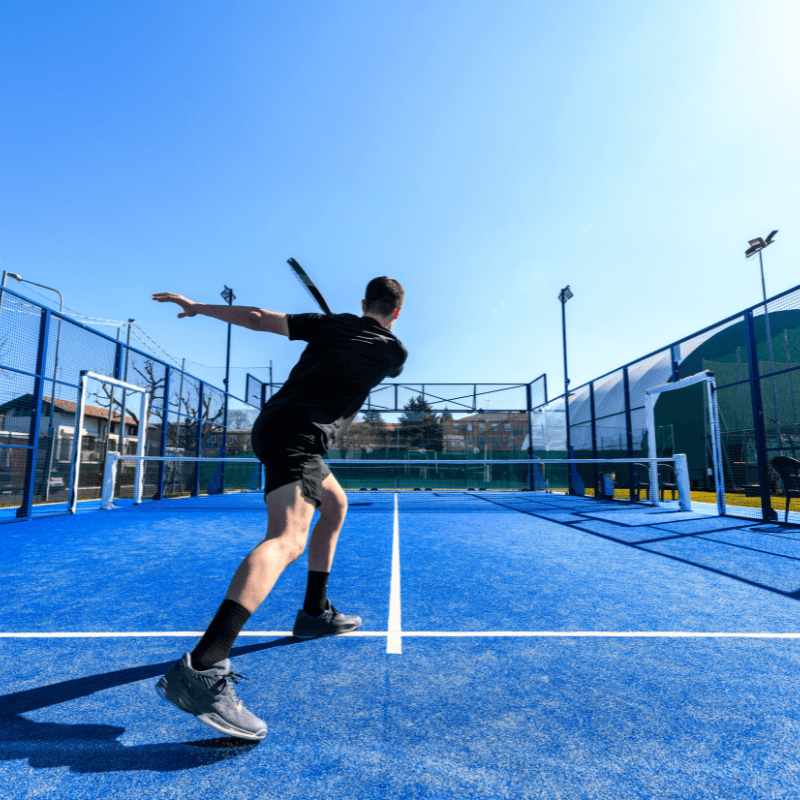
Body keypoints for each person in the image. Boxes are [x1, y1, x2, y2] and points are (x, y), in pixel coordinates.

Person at [150, 277, 407, 740]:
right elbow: (382, 363)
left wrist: (199, 307)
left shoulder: (332, 326)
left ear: (364, 303)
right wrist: (354, 330)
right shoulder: (394, 351)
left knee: (335, 506)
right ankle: (204, 667)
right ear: (396, 312)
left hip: (279, 425)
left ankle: (314, 613)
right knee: (287, 540)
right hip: (300, 436)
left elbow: (256, 319)